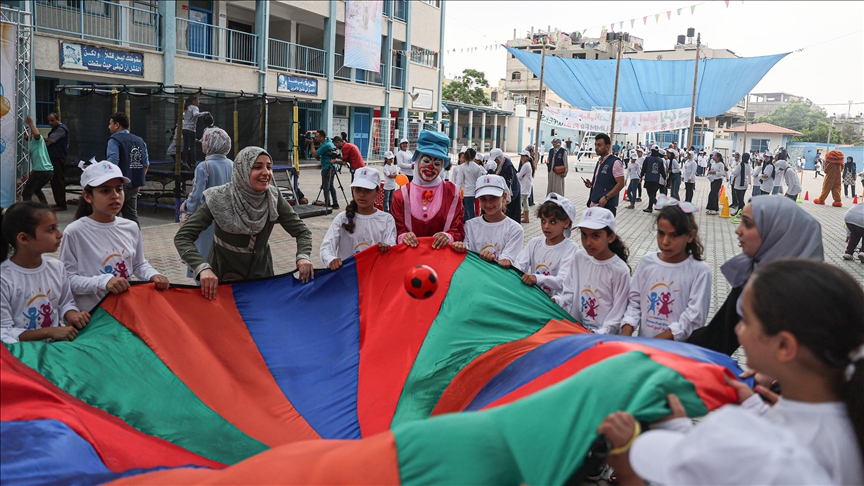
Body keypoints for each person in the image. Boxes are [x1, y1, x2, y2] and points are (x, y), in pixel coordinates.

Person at [687, 196, 823, 355]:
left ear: (777, 231)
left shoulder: (811, 297)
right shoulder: (753, 273)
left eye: (748, 224)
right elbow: (719, 336)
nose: (738, 230)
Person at [174, 147, 314, 299]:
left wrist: (303, 256)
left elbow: (302, 232)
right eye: (257, 167)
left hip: (261, 280)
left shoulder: (273, 197)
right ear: (242, 169)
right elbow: (183, 237)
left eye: (269, 167)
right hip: (221, 280)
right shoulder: (219, 198)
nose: (266, 172)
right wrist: (201, 268)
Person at [60, 162, 168, 312]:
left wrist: (153, 275)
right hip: (91, 317)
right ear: (88, 197)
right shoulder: (75, 232)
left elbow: (138, 264)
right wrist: (103, 282)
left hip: (123, 313)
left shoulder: (130, 227)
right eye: (105, 191)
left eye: (119, 189)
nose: (115, 196)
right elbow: (68, 279)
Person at [621, 198, 711, 340]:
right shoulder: (647, 263)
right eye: (661, 233)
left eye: (674, 235)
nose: (665, 241)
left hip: (676, 355)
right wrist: (625, 333)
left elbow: (694, 318)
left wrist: (656, 342)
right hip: (645, 352)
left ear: (690, 236)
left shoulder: (699, 271)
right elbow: (634, 302)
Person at [1, 202, 89, 344]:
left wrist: (71, 314)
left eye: (57, 227)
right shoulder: (4, 278)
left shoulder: (57, 268)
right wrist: (48, 331)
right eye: (51, 230)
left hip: (54, 352)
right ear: (23, 238)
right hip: (22, 356)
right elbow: (4, 331)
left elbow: (65, 303)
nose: (59, 234)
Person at [559, 207, 630, 334]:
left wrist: (600, 333)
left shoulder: (620, 270)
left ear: (610, 237)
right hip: (577, 332)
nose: (588, 242)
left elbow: (618, 313)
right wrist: (559, 301)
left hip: (604, 341)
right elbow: (569, 290)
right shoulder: (579, 257)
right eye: (584, 235)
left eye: (595, 236)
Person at [392, 130, 464, 249]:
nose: (430, 167)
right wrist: (403, 236)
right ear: (417, 160)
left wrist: (449, 237)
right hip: (410, 260)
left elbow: (459, 229)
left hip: (443, 261)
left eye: (437, 164)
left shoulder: (453, 193)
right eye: (426, 161)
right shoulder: (400, 195)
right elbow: (394, 229)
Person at [180, 128, 234, 283]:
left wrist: (186, 207)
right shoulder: (232, 164)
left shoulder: (204, 166)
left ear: (211, 144)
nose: (202, 143)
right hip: (227, 220)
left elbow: (197, 195)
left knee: (203, 258)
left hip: (207, 221)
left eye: (204, 140)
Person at [320, 167, 396, 270]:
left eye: (368, 190)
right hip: (348, 277)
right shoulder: (342, 219)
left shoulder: (387, 220)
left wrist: (387, 248)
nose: (362, 194)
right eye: (358, 189)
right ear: (353, 190)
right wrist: (331, 260)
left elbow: (391, 247)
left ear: (378, 192)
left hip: (374, 276)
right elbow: (326, 247)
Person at [514, 193, 578, 306]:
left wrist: (537, 278)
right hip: (535, 302)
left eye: (552, 222)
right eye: (543, 221)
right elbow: (518, 267)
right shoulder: (535, 243)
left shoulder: (570, 248)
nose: (546, 226)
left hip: (556, 306)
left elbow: (563, 281)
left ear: (566, 223)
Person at [453, 175, 523, 268]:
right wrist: (459, 246)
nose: (488, 204)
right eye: (483, 199)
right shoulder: (470, 225)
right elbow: (466, 252)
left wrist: (502, 260)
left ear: (504, 197)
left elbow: (508, 259)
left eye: (493, 198)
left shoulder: (515, 229)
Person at [106, 112, 149, 226]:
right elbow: (146, 165)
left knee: (112, 216)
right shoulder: (140, 141)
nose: (108, 127)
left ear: (117, 125)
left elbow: (113, 162)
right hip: (134, 183)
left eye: (110, 124)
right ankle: (136, 241)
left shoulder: (114, 140)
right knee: (131, 215)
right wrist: (139, 181)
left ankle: (112, 242)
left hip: (119, 184)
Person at [584, 134, 625, 216]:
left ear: (607, 147)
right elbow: (604, 180)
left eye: (599, 145)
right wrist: (592, 184)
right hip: (595, 203)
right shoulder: (599, 161)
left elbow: (621, 183)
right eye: (595, 145)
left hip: (606, 206)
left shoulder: (615, 162)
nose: (596, 147)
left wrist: (607, 197)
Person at [21, 117, 54, 207]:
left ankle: (29, 212)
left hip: (43, 171)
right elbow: (37, 162)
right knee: (37, 189)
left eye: (26, 133)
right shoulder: (32, 143)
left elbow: (37, 133)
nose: (24, 136)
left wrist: (30, 123)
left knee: (26, 193)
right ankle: (45, 208)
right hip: (45, 171)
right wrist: (31, 174)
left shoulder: (37, 141)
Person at [488, 148, 522, 223]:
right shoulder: (498, 165)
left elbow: (509, 184)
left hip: (512, 193)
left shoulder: (507, 166)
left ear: (499, 158)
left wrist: (506, 198)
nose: (495, 162)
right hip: (502, 194)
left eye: (495, 160)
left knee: (511, 215)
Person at [44, 113, 70, 211]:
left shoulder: (61, 129)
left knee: (58, 181)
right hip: (55, 157)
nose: (50, 123)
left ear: (58, 119)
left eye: (52, 120)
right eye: (49, 121)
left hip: (58, 158)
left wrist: (37, 139)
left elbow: (49, 141)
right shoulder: (56, 129)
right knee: (55, 181)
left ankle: (61, 204)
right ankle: (59, 202)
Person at [182, 94, 210, 169]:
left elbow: (183, 115)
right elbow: (196, 114)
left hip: (184, 128)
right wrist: (205, 113)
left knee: (185, 146)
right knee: (192, 147)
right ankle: (193, 163)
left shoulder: (187, 107)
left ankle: (184, 162)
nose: (199, 102)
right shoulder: (194, 107)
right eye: (198, 100)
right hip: (191, 129)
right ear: (193, 101)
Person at [457, 149, 485, 222]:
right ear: (474, 156)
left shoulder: (462, 167)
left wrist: (457, 191)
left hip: (466, 192)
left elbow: (459, 181)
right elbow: (479, 180)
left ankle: (470, 227)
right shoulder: (477, 167)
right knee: (469, 211)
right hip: (474, 192)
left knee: (468, 212)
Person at [314, 130, 339, 209]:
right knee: (331, 185)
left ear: (321, 137)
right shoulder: (329, 140)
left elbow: (315, 154)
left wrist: (311, 144)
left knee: (326, 186)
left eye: (317, 137)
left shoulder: (325, 145)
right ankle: (335, 203)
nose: (315, 138)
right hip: (333, 166)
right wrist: (311, 132)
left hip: (327, 167)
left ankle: (327, 203)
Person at [640, 147, 666, 213]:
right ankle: (650, 207)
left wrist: (641, 176)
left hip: (649, 178)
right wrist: (664, 178)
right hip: (656, 179)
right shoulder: (660, 160)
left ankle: (657, 204)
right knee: (653, 193)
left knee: (650, 194)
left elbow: (644, 168)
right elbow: (662, 170)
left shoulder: (648, 159)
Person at [516, 150, 534, 223]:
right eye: (521, 156)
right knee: (525, 203)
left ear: (527, 157)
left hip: (523, 186)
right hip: (526, 186)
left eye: (523, 156)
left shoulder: (526, 165)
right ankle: (526, 218)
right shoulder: (527, 164)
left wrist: (516, 174)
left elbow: (519, 176)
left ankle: (517, 218)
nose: (522, 157)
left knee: (519, 203)